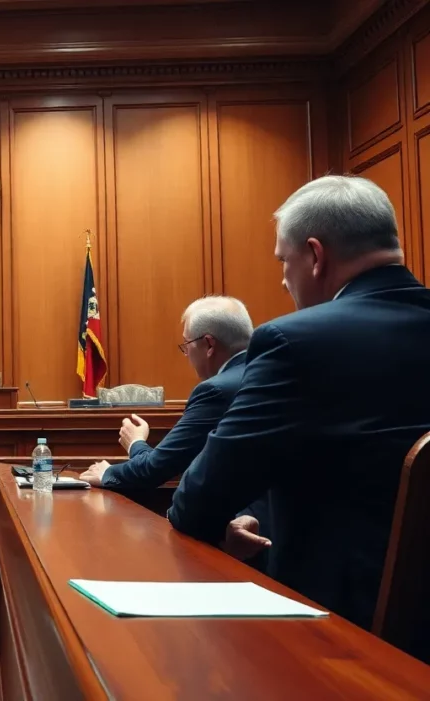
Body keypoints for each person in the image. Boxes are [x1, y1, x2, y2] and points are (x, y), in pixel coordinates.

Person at [168, 175, 430, 638]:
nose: (282, 277)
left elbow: (197, 502)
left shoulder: (296, 341)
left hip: (342, 632)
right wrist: (260, 515)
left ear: (314, 255)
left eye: (284, 260)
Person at [78, 296, 252, 490]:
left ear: (209, 345)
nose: (186, 353)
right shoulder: (267, 375)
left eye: (187, 344)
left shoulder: (215, 391)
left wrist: (110, 470)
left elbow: (156, 469)